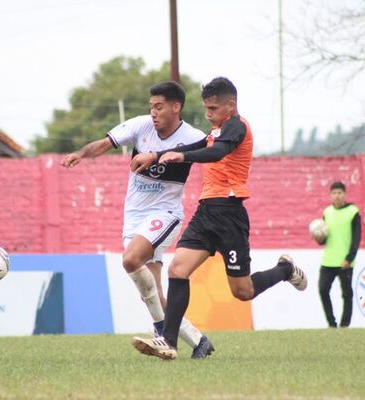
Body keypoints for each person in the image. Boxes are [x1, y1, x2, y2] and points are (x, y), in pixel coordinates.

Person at [130, 77, 308, 360]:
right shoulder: (216, 130)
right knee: (177, 270)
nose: (208, 114)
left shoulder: (237, 126)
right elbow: (199, 145)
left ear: (231, 105)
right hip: (206, 214)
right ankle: (169, 342)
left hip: (230, 215)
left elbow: (216, 152)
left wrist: (180, 157)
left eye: (213, 108)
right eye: (206, 108)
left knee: (243, 291)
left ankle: (285, 270)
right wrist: (156, 154)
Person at [60, 81, 215, 358]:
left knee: (131, 260)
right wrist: (80, 154)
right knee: (152, 291)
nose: (153, 113)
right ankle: (198, 341)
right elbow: (105, 143)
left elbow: (216, 151)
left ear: (175, 107)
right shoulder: (141, 126)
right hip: (133, 217)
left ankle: (160, 331)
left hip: (165, 215)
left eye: (159, 107)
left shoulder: (193, 136)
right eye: (151, 107)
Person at [317, 181, 361, 328]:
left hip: (345, 262)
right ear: (331, 195)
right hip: (328, 261)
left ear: (345, 194)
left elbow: (356, 238)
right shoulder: (326, 212)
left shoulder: (353, 212)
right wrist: (319, 238)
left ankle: (344, 325)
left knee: (347, 294)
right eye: (334, 193)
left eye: (339, 193)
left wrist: (349, 258)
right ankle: (332, 324)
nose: (337, 196)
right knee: (323, 290)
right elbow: (324, 239)